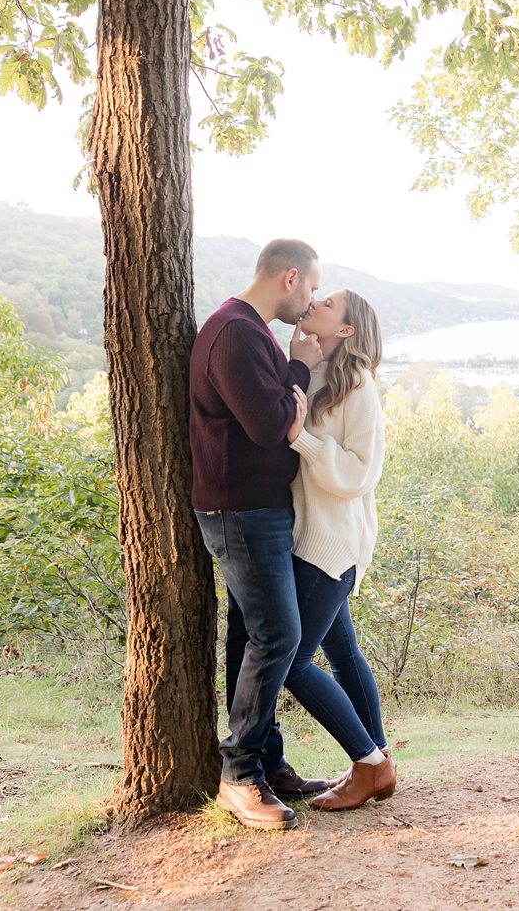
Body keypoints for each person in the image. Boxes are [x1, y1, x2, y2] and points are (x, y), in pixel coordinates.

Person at [189, 238, 329, 831]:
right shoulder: (236, 332)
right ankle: (239, 777)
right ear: (290, 277)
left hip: (257, 508)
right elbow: (273, 423)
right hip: (240, 511)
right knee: (279, 636)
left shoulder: (250, 330)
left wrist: (290, 382)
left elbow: (279, 412)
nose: (314, 300)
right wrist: (298, 371)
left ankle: (265, 764)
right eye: (314, 288)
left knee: (253, 639)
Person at [280, 289, 397, 809]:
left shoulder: (359, 385)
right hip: (312, 535)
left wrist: (300, 437)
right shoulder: (320, 372)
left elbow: (357, 472)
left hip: (333, 543)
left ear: (346, 329)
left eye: (326, 303)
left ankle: (369, 763)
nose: (313, 302)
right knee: (342, 652)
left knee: (291, 663)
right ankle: (380, 762)